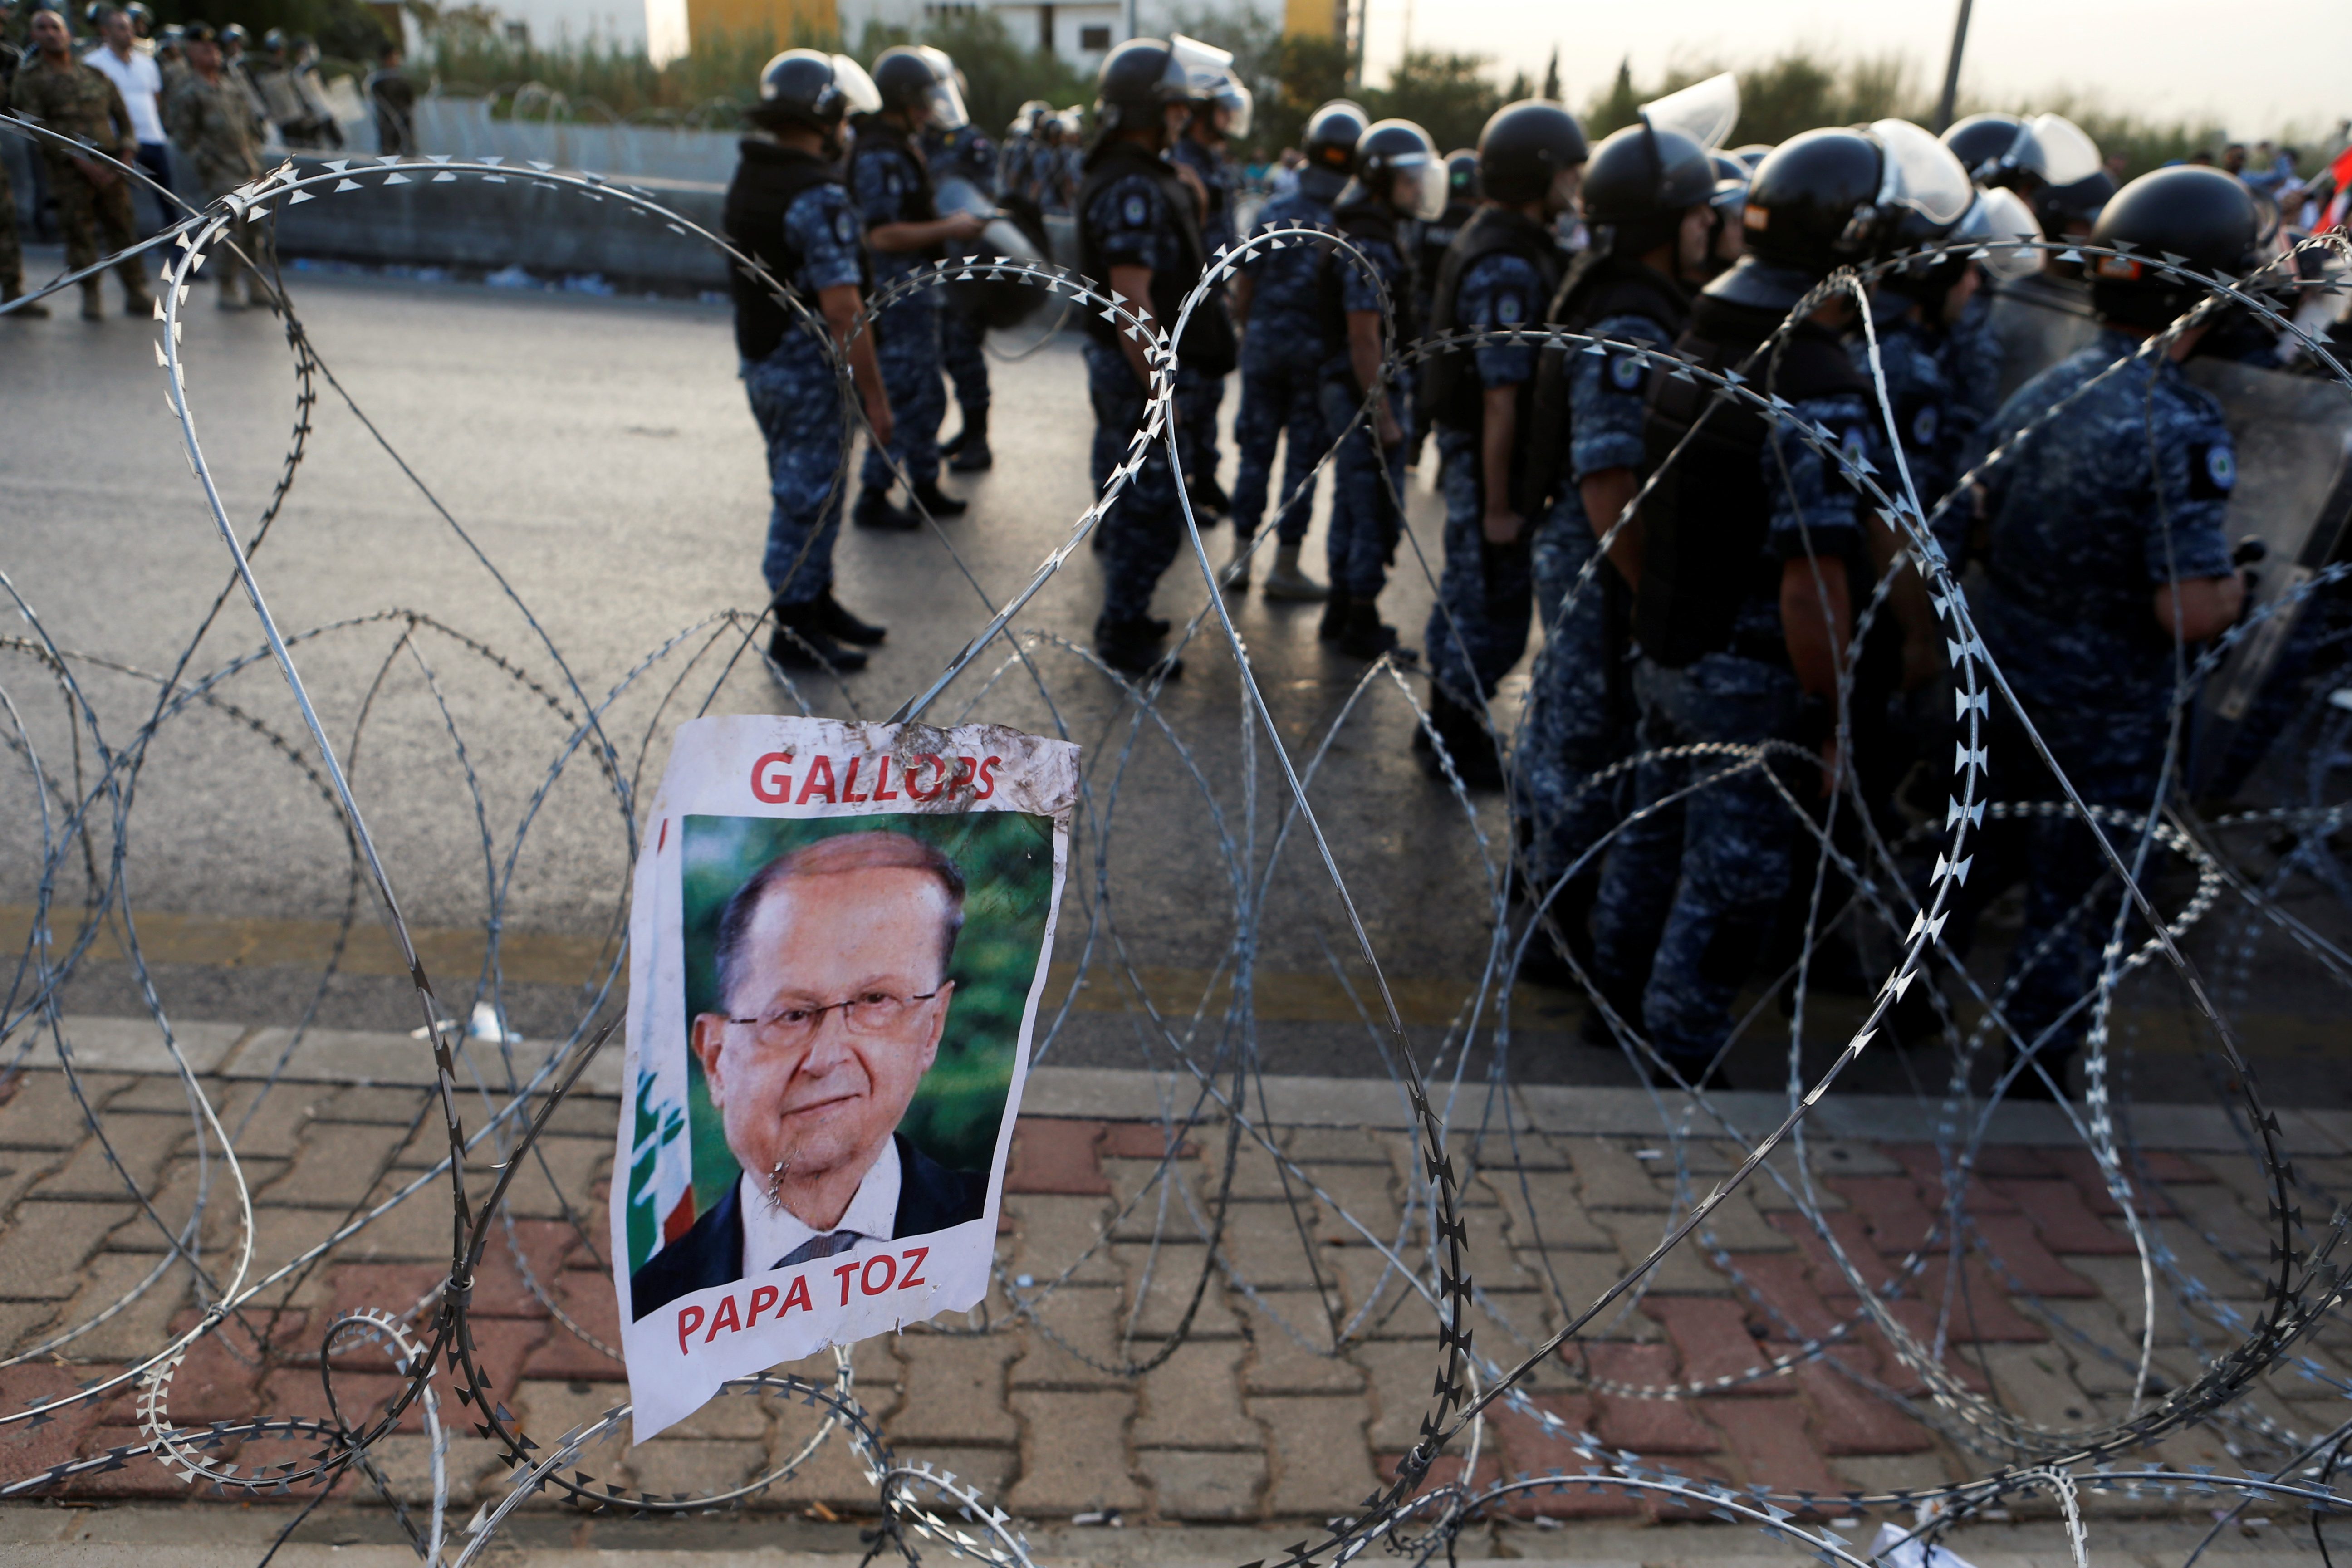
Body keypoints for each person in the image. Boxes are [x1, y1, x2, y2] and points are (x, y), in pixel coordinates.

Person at [1584, 123, 1965, 1084]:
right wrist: (1832, 715)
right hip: (1749, 673)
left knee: (1652, 831)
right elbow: (1811, 583)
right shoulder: (1813, 381)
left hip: (1672, 638)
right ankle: (1677, 1049)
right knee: (1734, 876)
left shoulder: (1709, 329)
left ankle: (1610, 997)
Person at [1897, 167, 2255, 1099]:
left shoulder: (2049, 389)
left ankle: (1904, 1000)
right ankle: (2033, 1072)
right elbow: (2183, 610)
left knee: (1971, 853)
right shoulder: (2179, 424)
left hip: (2007, 674)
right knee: (2076, 896)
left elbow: (1968, 523)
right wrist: (2241, 591)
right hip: (2104, 714)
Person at [1511, 111, 1715, 984]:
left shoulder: (1622, 299)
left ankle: (1540, 886)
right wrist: (1645, 597)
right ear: (1662, 224)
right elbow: (1607, 480)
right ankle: (1553, 925)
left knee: (1566, 728)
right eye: (1698, 215)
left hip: (1590, 556)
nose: (1710, 227)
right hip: (1598, 560)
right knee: (1582, 742)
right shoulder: (1629, 322)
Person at [629, 832, 989, 1318]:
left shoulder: (993, 1231)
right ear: (716, 1059)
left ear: (932, 1028)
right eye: (792, 1015)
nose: (826, 1058)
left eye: (875, 1001)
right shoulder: (651, 1306)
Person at [1416, 98, 1588, 786]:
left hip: (1487, 455)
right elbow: (1500, 396)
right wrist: (1498, 507)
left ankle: (1445, 725)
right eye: (1567, 173)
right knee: (1490, 605)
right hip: (1491, 461)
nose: (1575, 187)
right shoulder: (1508, 264)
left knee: (1469, 593)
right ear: (1536, 176)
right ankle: (1452, 738)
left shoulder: (1506, 241)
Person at [724, 47, 894, 673]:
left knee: (815, 491)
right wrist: (875, 398)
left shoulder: (753, 175)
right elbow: (844, 310)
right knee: (805, 500)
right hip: (807, 376)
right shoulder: (817, 194)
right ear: (824, 120)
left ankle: (818, 602)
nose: (847, 130)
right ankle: (794, 630)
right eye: (843, 118)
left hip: (765, 364)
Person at [1075, 37, 1236, 678]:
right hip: (1141, 377)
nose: (1182, 118)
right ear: (1151, 111)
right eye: (1173, 107)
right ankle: (1122, 631)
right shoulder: (1132, 186)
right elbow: (1132, 300)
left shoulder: (1141, 175)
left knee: (1145, 500)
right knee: (1152, 508)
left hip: (1141, 372)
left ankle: (1131, 614)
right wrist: (1161, 395)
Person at [1313, 117, 1443, 659]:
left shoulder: (1368, 230)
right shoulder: (1371, 243)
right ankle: (1360, 618)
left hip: (1350, 390)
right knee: (1372, 507)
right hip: (1363, 392)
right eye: (1408, 180)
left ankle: (1341, 609)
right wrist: (1384, 415)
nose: (1417, 190)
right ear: (1381, 180)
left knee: (1352, 502)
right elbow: (1364, 339)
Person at [1226, 98, 1364, 595]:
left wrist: (1251, 333)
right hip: (1316, 359)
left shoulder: (1276, 210)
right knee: (1302, 465)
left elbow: (1244, 285)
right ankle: (1284, 568)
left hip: (1266, 348)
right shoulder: (1351, 220)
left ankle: (1239, 560)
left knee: (1254, 455)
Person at [847, 44, 985, 531]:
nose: (929, 111)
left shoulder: (898, 146)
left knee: (926, 396)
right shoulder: (879, 156)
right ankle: (874, 493)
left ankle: (924, 486)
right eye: (921, 101)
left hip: (914, 295)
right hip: (895, 298)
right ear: (901, 101)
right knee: (907, 397)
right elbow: (881, 235)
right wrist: (949, 228)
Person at [8, 4, 151, 320]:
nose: (51, 34)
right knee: (79, 234)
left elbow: (123, 119)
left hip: (111, 167)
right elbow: (34, 128)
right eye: (42, 28)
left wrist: (125, 157)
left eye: (56, 28)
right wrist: (82, 162)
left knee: (123, 229)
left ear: (68, 34)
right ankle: (91, 295)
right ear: (34, 36)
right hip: (70, 173)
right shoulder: (30, 80)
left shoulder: (94, 74)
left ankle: (136, 291)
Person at [1169, 56, 1247, 519]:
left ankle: (1206, 476)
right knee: (1187, 397)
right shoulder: (1180, 162)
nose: (1229, 118)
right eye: (1221, 109)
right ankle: (1183, 490)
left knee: (1210, 394)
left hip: (1213, 293)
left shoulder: (1213, 160)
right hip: (1187, 300)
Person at [164, 21, 270, 311]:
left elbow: (249, 130)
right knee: (229, 230)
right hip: (220, 170)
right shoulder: (189, 92)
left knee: (255, 228)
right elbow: (184, 138)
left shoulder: (230, 88)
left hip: (247, 167)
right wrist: (208, 164)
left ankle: (255, 282)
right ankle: (227, 285)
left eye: (214, 47)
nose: (212, 52)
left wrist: (256, 164)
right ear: (191, 53)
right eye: (204, 48)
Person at [925, 104, 997, 473]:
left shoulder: (972, 143)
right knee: (950, 355)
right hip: (938, 266)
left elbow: (983, 200)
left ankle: (978, 440)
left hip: (967, 269)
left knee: (965, 353)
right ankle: (969, 433)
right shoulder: (924, 141)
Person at [81, 3, 167, 235]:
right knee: (119, 202)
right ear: (105, 31)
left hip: (153, 139)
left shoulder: (147, 63)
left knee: (168, 200)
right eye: (121, 28)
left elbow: (156, 99)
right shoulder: (93, 64)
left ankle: (177, 248)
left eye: (130, 27)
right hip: (119, 142)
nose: (129, 33)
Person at [365, 39, 415, 156]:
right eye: (393, 56)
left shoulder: (401, 79)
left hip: (404, 128)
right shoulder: (379, 81)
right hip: (389, 130)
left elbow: (410, 100)